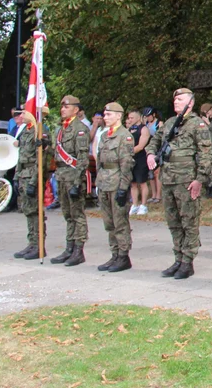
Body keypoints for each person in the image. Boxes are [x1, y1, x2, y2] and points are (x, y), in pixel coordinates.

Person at [145, 88, 212, 280]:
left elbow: (205, 154)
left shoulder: (197, 125)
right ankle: (178, 258)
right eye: (174, 99)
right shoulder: (168, 123)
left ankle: (188, 261)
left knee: (189, 222)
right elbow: (154, 141)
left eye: (180, 99)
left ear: (190, 103)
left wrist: (200, 179)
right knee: (174, 222)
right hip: (168, 179)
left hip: (186, 180)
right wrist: (150, 154)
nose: (176, 102)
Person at [50, 96, 90, 266]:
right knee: (67, 213)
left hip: (73, 176)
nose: (63, 109)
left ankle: (78, 250)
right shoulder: (60, 130)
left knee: (77, 214)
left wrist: (77, 181)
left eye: (67, 107)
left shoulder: (80, 129)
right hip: (61, 175)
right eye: (62, 107)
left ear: (75, 110)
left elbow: (82, 158)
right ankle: (69, 247)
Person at [95, 102, 135, 272]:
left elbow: (127, 163)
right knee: (109, 222)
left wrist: (123, 188)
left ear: (119, 116)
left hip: (117, 181)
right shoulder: (105, 136)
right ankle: (115, 254)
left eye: (109, 114)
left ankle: (124, 256)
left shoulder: (125, 136)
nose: (105, 117)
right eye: (105, 114)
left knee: (120, 222)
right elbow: (99, 160)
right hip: (104, 182)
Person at [12, 111, 45, 260]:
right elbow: (21, 156)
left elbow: (42, 158)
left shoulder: (39, 131)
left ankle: (39, 245)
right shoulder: (26, 130)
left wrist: (34, 181)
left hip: (32, 174)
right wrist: (16, 176)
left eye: (23, 112)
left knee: (35, 212)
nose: (20, 116)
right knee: (28, 211)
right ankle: (32, 243)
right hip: (23, 173)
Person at [127, 110, 151, 215]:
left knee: (142, 182)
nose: (130, 119)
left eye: (132, 117)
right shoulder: (129, 129)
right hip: (130, 159)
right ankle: (135, 204)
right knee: (133, 183)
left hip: (141, 158)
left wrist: (128, 152)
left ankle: (144, 205)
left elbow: (141, 146)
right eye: (129, 117)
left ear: (138, 118)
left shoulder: (144, 129)